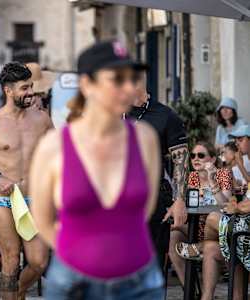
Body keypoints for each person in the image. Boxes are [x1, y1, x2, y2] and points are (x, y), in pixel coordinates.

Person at [30, 40, 164, 299]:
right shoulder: (54, 146)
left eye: (132, 78)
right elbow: (43, 219)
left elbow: (143, 209)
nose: (129, 87)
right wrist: (82, 253)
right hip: (73, 282)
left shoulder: (144, 138)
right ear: (87, 84)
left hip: (140, 281)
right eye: (117, 79)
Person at [0, 62, 54, 300]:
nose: (31, 92)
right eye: (25, 88)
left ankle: (20, 290)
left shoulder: (42, 119)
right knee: (11, 259)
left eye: (31, 87)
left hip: (35, 198)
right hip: (4, 199)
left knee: (39, 262)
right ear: (9, 90)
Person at [125, 69, 189, 271]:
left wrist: (179, 200)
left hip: (153, 196)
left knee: (152, 264)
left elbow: (181, 160)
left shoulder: (165, 115)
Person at [169, 142, 232, 284]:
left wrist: (211, 180)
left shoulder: (223, 174)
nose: (195, 159)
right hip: (195, 227)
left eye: (201, 155)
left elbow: (225, 205)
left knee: (212, 218)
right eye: (192, 156)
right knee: (172, 238)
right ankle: (190, 289)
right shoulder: (192, 177)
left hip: (217, 230)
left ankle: (201, 247)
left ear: (213, 159)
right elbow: (188, 205)